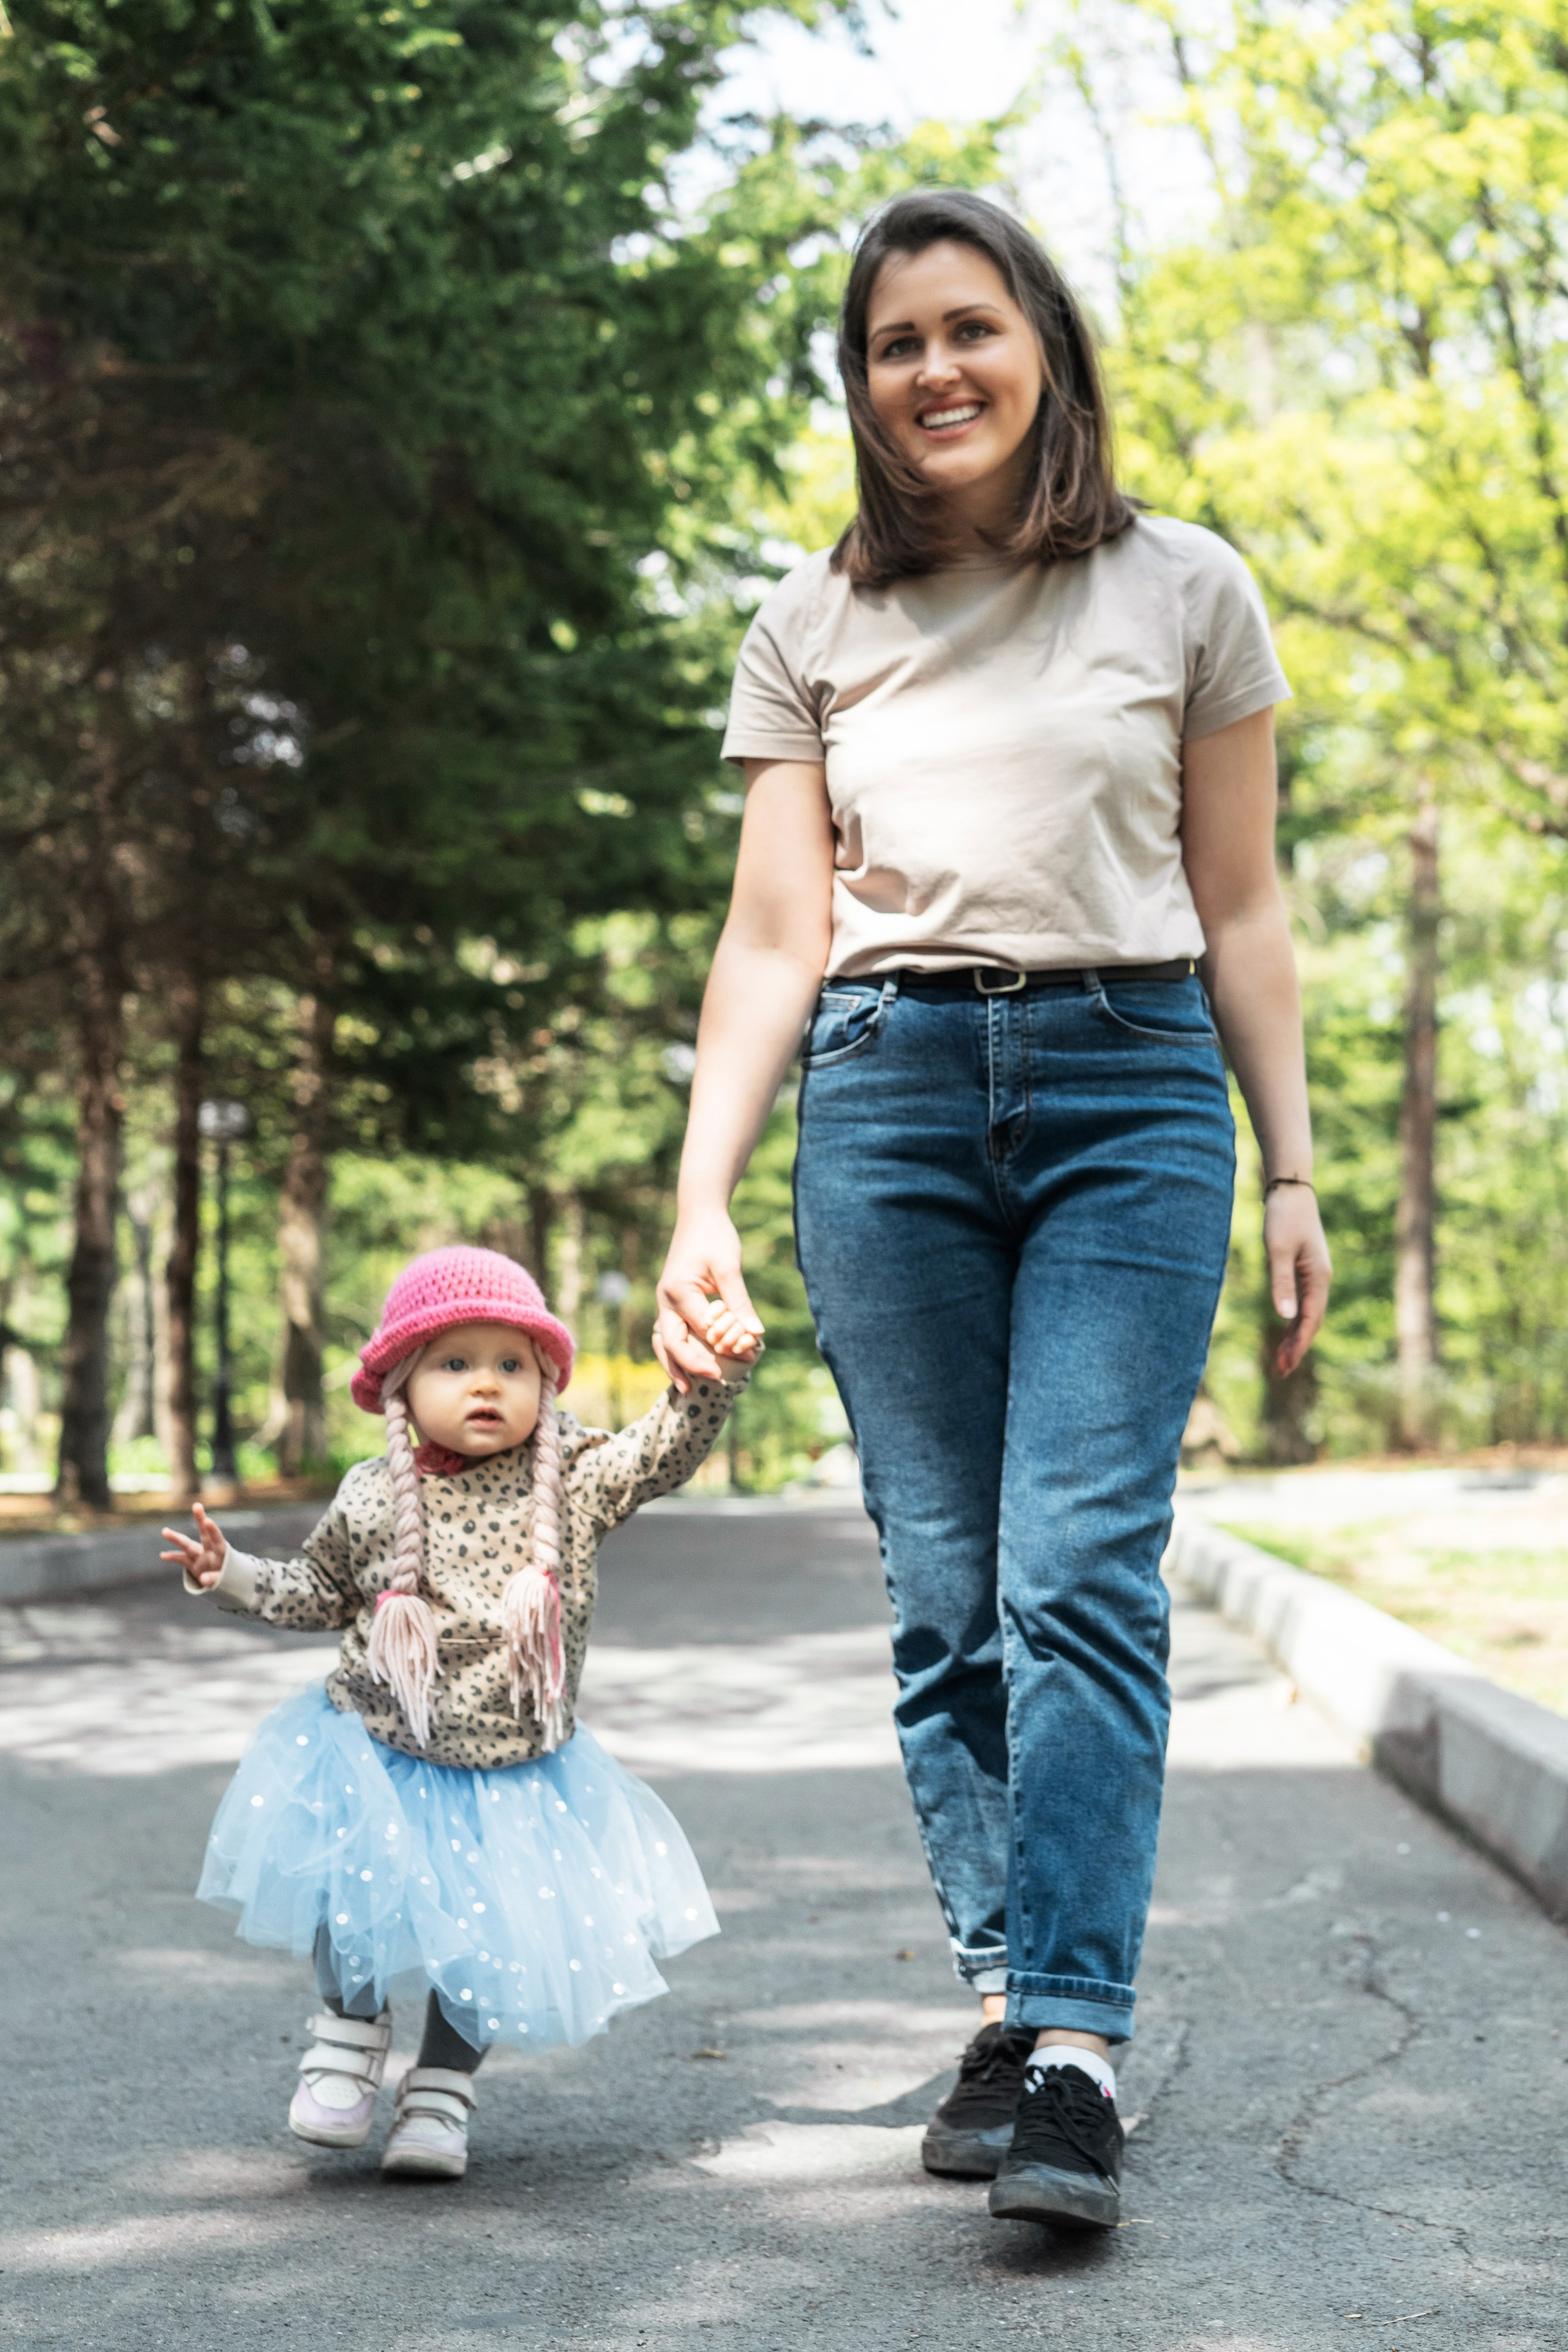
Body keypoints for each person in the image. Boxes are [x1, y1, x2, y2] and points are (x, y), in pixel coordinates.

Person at [655, 189, 1331, 2232]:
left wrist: (1297, 1164)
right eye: (893, 345)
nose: (935, 368)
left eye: (971, 327)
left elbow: (1242, 905)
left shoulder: (1187, 589)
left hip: (1136, 1092)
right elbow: (777, 932)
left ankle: (1075, 2056)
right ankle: (1006, 1990)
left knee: (1080, 1576)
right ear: (862, 389)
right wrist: (700, 1196)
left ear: (1044, 344)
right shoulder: (813, 620)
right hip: (886, 1104)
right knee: (946, 1594)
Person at [164, 1244, 755, 2180]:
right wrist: (229, 1573)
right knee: (343, 1902)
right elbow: (319, 1588)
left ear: (544, 1382)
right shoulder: (371, 1495)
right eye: (456, 1363)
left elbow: (660, 1453)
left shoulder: (574, 1480)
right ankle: (350, 2040)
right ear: (401, 1383)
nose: (487, 1384)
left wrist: (710, 1383)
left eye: (512, 1364)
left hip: (511, 1773)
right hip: (380, 1748)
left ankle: (441, 2093)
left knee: (485, 1938)